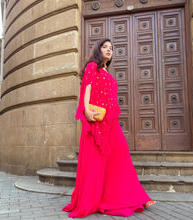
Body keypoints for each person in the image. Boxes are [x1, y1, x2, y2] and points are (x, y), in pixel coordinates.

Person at [62, 38, 156, 218]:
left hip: (109, 122)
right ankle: (94, 199)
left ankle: (134, 196)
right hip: (96, 121)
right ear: (98, 49)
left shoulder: (106, 70)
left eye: (111, 48)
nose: (109, 50)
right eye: (105, 47)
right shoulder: (92, 66)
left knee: (120, 156)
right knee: (96, 161)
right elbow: (87, 87)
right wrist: (86, 109)